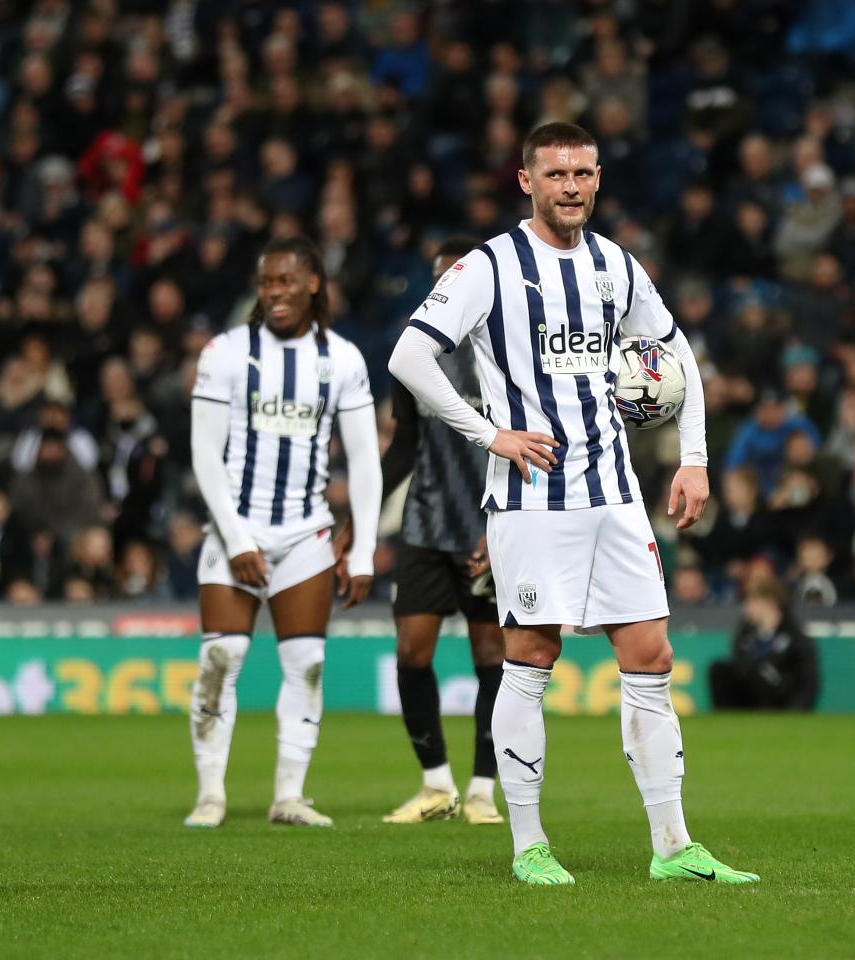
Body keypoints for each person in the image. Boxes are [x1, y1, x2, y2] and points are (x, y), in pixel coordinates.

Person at [388, 122, 757, 885]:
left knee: (650, 657)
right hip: (530, 501)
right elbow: (409, 355)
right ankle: (528, 846)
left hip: (615, 494)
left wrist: (694, 458)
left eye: (584, 173)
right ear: (526, 181)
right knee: (531, 655)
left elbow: (675, 351)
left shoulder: (614, 265)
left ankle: (673, 847)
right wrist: (489, 433)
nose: (572, 187)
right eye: (557, 174)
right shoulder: (490, 265)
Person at [184, 236, 382, 829]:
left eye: (286, 282)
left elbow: (366, 462)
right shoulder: (225, 352)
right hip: (234, 529)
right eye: (266, 283)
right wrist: (237, 540)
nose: (274, 293)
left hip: (306, 535)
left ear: (313, 283)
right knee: (223, 656)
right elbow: (203, 453)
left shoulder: (343, 359)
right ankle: (211, 794)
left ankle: (289, 796)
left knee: (308, 664)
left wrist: (365, 548)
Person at [334, 236, 505, 827]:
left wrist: (511, 522)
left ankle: (483, 789)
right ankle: (436, 786)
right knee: (412, 650)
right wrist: (359, 515)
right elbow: (403, 446)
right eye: (438, 281)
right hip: (426, 526)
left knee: (493, 656)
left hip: (490, 527)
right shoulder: (416, 356)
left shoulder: (504, 353)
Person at [710, 574, 819, 710]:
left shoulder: (796, 637)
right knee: (719, 669)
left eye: (752, 602)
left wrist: (796, 711)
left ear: (769, 603)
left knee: (763, 673)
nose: (747, 608)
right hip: (750, 696)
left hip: (780, 698)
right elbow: (739, 663)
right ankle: (726, 718)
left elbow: (808, 681)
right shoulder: (746, 632)